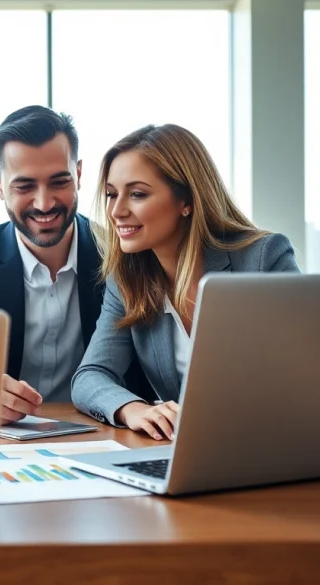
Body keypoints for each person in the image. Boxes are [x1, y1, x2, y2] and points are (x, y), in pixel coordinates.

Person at [0, 105, 151, 425]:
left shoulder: (123, 259)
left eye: (59, 182)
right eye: (25, 186)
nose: (44, 203)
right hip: (4, 440)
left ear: (78, 175)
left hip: (105, 434)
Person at [71, 123, 300, 440]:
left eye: (137, 194)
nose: (116, 210)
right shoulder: (127, 279)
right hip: (189, 449)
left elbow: (303, 374)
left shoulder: (263, 259)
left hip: (268, 442)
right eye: (111, 194)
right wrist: (133, 409)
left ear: (187, 201)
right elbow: (90, 376)